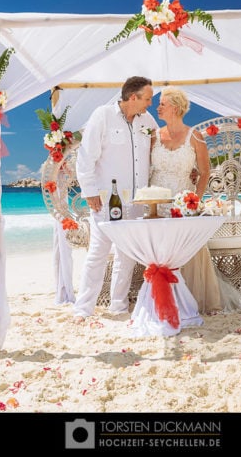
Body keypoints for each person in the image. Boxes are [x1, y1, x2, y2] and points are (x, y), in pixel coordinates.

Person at [150, 86, 241, 317]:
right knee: (161, 252)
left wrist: (194, 201)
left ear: (176, 108)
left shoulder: (194, 136)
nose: (157, 107)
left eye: (162, 103)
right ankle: (163, 299)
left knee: (187, 251)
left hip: (182, 203)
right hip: (157, 203)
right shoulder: (154, 136)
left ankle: (192, 299)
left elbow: (205, 171)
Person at [73, 76, 158, 318]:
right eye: (148, 98)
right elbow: (86, 157)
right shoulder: (103, 115)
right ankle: (83, 308)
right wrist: (89, 191)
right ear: (133, 97)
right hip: (108, 199)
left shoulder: (146, 120)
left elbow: (157, 145)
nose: (150, 104)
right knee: (98, 253)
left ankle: (118, 305)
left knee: (127, 255)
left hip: (138, 200)